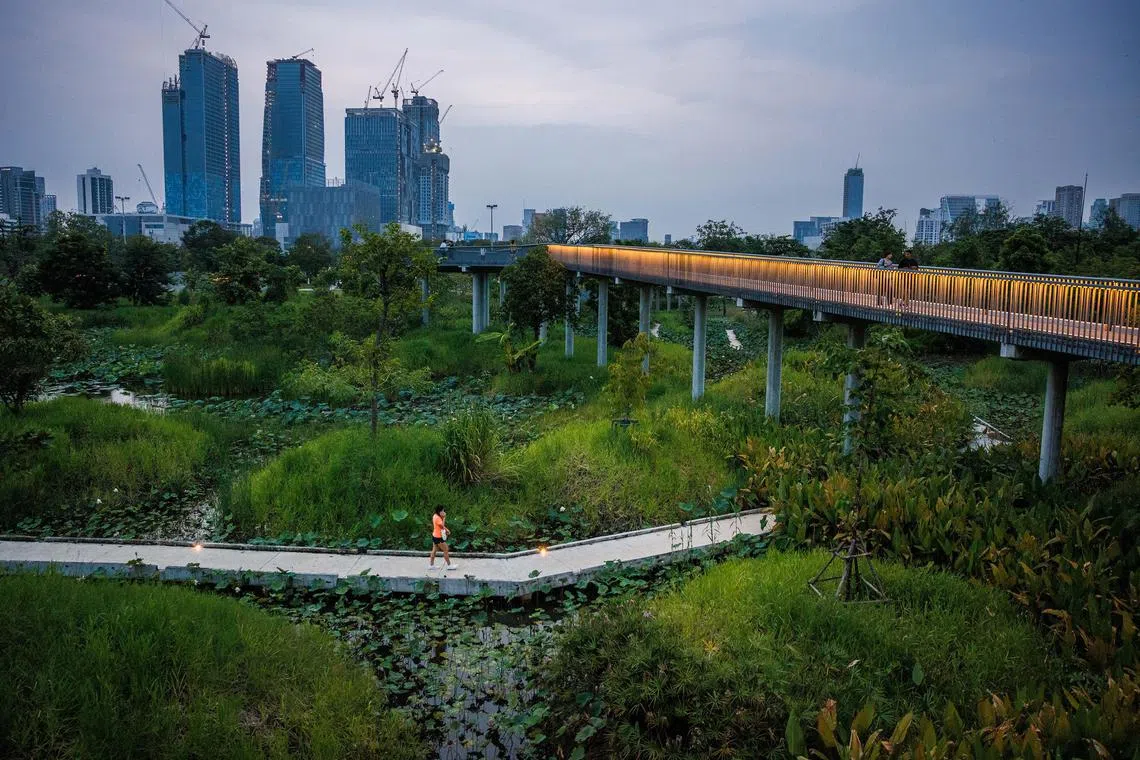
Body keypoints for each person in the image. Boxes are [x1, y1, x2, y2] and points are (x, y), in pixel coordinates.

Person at [429, 505, 456, 571]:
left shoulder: (435, 515)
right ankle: (449, 565)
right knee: (446, 549)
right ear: (439, 511)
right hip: (438, 537)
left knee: (434, 550)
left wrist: (447, 530)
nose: (444, 512)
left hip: (434, 535)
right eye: (443, 511)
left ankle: (431, 565)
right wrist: (444, 517)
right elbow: (442, 526)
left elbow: (440, 526)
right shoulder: (438, 518)